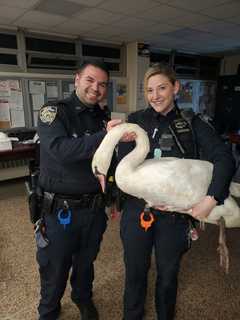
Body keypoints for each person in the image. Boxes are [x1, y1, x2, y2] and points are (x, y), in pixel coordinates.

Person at [118, 63, 236, 320]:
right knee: (135, 273)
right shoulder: (136, 121)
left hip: (174, 218)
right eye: (150, 90)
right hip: (138, 211)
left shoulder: (194, 124)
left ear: (176, 88)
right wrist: (118, 140)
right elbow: (124, 167)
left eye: (162, 88)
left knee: (168, 276)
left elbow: (225, 160)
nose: (155, 96)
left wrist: (210, 199)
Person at [36, 60, 122, 320]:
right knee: (55, 265)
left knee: (86, 261)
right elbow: (59, 151)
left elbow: (109, 162)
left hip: (94, 209)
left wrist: (115, 194)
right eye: (90, 80)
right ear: (77, 80)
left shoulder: (102, 117)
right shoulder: (54, 111)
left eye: (102, 84)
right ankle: (49, 309)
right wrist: (104, 137)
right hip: (60, 210)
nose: (96, 88)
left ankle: (82, 297)